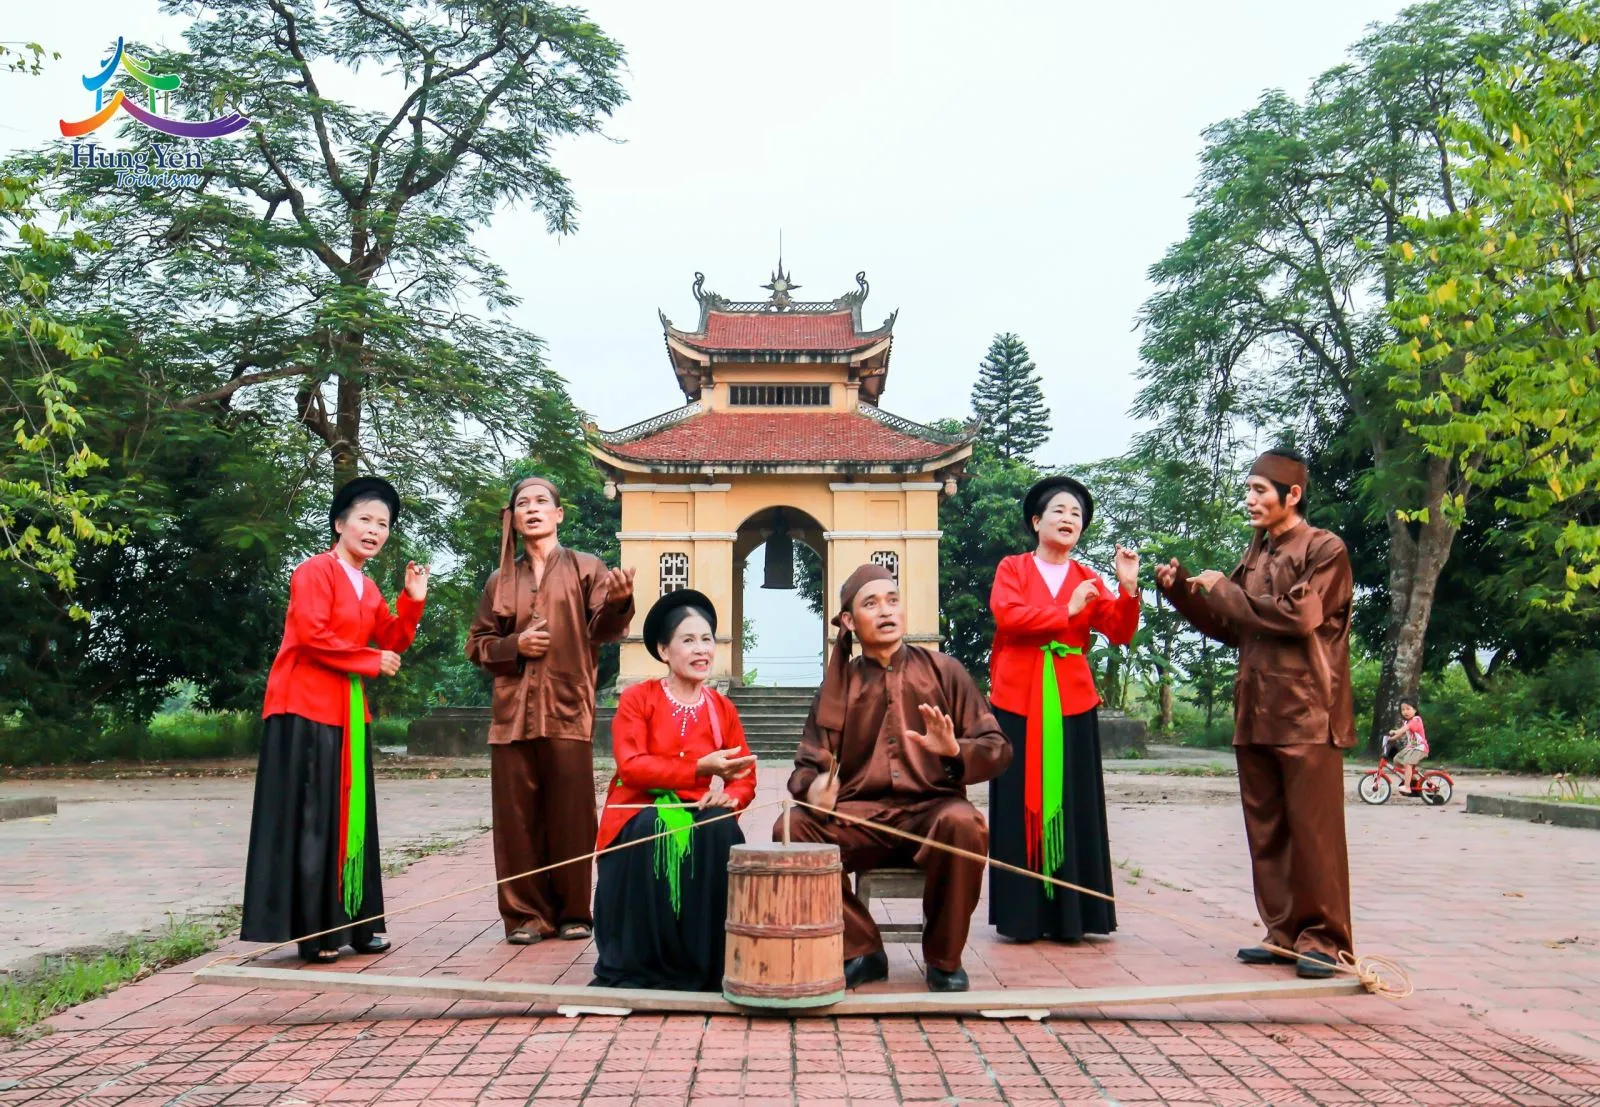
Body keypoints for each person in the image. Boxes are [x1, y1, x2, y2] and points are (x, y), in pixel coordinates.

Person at [1154, 447, 1355, 979]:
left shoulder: (1324, 548)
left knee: (1314, 834)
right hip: (1257, 708)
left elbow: (1298, 616)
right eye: (1247, 490)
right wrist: (1182, 592)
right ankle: (1284, 934)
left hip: (1308, 711)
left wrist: (1224, 590)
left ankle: (1325, 941)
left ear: (1293, 494)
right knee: (1266, 831)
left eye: (1260, 491)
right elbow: (1233, 625)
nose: (1250, 500)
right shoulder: (1258, 554)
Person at [779, 563, 1012, 993]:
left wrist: (956, 751)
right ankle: (862, 948)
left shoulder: (944, 671)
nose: (886, 611)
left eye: (893, 600)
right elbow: (807, 765)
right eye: (871, 604)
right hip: (860, 819)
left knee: (966, 823)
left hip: (931, 815)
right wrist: (815, 789)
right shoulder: (838, 687)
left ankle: (944, 960)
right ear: (849, 621)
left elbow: (997, 747)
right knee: (791, 828)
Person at [242, 476, 429, 963]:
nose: (374, 530)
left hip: (346, 714)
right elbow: (311, 635)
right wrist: (369, 661)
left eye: (383, 524)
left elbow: (391, 639)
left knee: (353, 818)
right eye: (365, 519)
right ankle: (317, 930)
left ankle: (358, 922)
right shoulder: (314, 571)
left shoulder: (367, 588)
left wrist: (411, 598)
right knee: (315, 820)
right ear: (339, 523)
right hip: (304, 708)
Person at [465, 476, 635, 945]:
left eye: (542, 502)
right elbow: (477, 645)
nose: (533, 509)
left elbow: (603, 628)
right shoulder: (500, 580)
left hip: (567, 706)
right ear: (514, 519)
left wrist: (620, 603)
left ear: (559, 514)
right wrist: (514, 645)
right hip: (512, 713)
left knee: (573, 814)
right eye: (523, 503)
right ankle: (524, 916)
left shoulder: (586, 568)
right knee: (516, 819)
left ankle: (573, 912)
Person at [986, 475, 1140, 943]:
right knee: (1018, 803)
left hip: (1071, 698)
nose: (1068, 518)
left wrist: (1128, 589)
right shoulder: (1013, 568)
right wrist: (1067, 612)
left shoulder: (1088, 579)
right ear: (1037, 522)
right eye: (1059, 511)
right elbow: (1007, 615)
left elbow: (1120, 631)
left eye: (1076, 514)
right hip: (1018, 697)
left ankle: (1076, 915)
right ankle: (1022, 916)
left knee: (1073, 804)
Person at [592, 589, 757, 991]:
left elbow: (744, 774)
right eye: (688, 640)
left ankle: (706, 966)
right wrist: (698, 768)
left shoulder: (721, 707)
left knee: (720, 826)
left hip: (694, 810)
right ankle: (640, 965)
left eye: (707, 640)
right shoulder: (637, 699)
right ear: (664, 651)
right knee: (655, 827)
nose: (701, 650)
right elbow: (631, 768)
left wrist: (730, 797)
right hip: (635, 810)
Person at [1385, 700, 1429, 794]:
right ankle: (1413, 779)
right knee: (1397, 759)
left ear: (1415, 710)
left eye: (1408, 709)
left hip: (1420, 748)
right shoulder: (1406, 722)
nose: (1405, 711)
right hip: (1411, 748)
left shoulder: (1416, 720)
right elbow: (1401, 734)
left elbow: (1402, 730)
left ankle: (1407, 787)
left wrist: (1395, 731)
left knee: (1408, 763)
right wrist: (1390, 739)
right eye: (1403, 709)